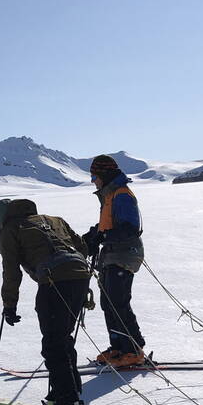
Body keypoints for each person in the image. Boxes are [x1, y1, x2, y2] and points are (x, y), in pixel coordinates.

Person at [0, 198, 92, 405]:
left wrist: (10, 304)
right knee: (62, 340)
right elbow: (82, 247)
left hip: (54, 279)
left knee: (54, 345)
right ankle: (66, 398)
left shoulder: (10, 229)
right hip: (79, 276)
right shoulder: (53, 219)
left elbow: (11, 269)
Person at [83, 155, 147, 368]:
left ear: (104, 175)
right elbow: (107, 224)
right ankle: (119, 347)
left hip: (125, 254)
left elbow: (129, 228)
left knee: (118, 303)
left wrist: (103, 237)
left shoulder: (122, 196)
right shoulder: (110, 195)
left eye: (94, 176)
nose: (93, 180)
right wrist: (93, 235)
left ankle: (134, 350)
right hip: (112, 254)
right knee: (108, 303)